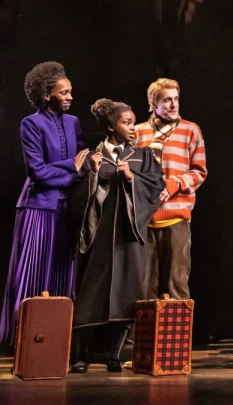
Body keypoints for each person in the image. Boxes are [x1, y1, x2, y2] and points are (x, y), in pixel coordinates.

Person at [69, 99, 165, 373]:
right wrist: (93, 176)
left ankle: (114, 354)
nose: (134, 128)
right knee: (91, 292)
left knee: (127, 293)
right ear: (111, 126)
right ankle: (81, 355)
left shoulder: (142, 157)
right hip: (97, 237)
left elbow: (156, 189)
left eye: (134, 122)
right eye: (127, 123)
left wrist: (131, 179)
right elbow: (74, 200)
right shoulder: (91, 158)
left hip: (129, 238)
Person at [0, 62, 86, 345]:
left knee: (62, 271)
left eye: (71, 91)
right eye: (64, 93)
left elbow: (83, 163)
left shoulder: (73, 122)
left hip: (66, 207)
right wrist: (71, 168)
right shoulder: (31, 123)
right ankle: (24, 337)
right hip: (39, 206)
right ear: (48, 95)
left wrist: (74, 168)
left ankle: (56, 340)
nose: (70, 97)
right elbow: (37, 171)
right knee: (34, 270)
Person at [133, 78, 206, 301]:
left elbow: (199, 172)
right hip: (145, 219)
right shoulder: (138, 132)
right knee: (144, 287)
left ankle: (178, 336)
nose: (173, 105)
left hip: (176, 217)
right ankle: (144, 336)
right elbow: (133, 172)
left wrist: (174, 184)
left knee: (177, 284)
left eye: (176, 99)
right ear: (153, 104)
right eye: (167, 100)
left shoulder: (190, 130)